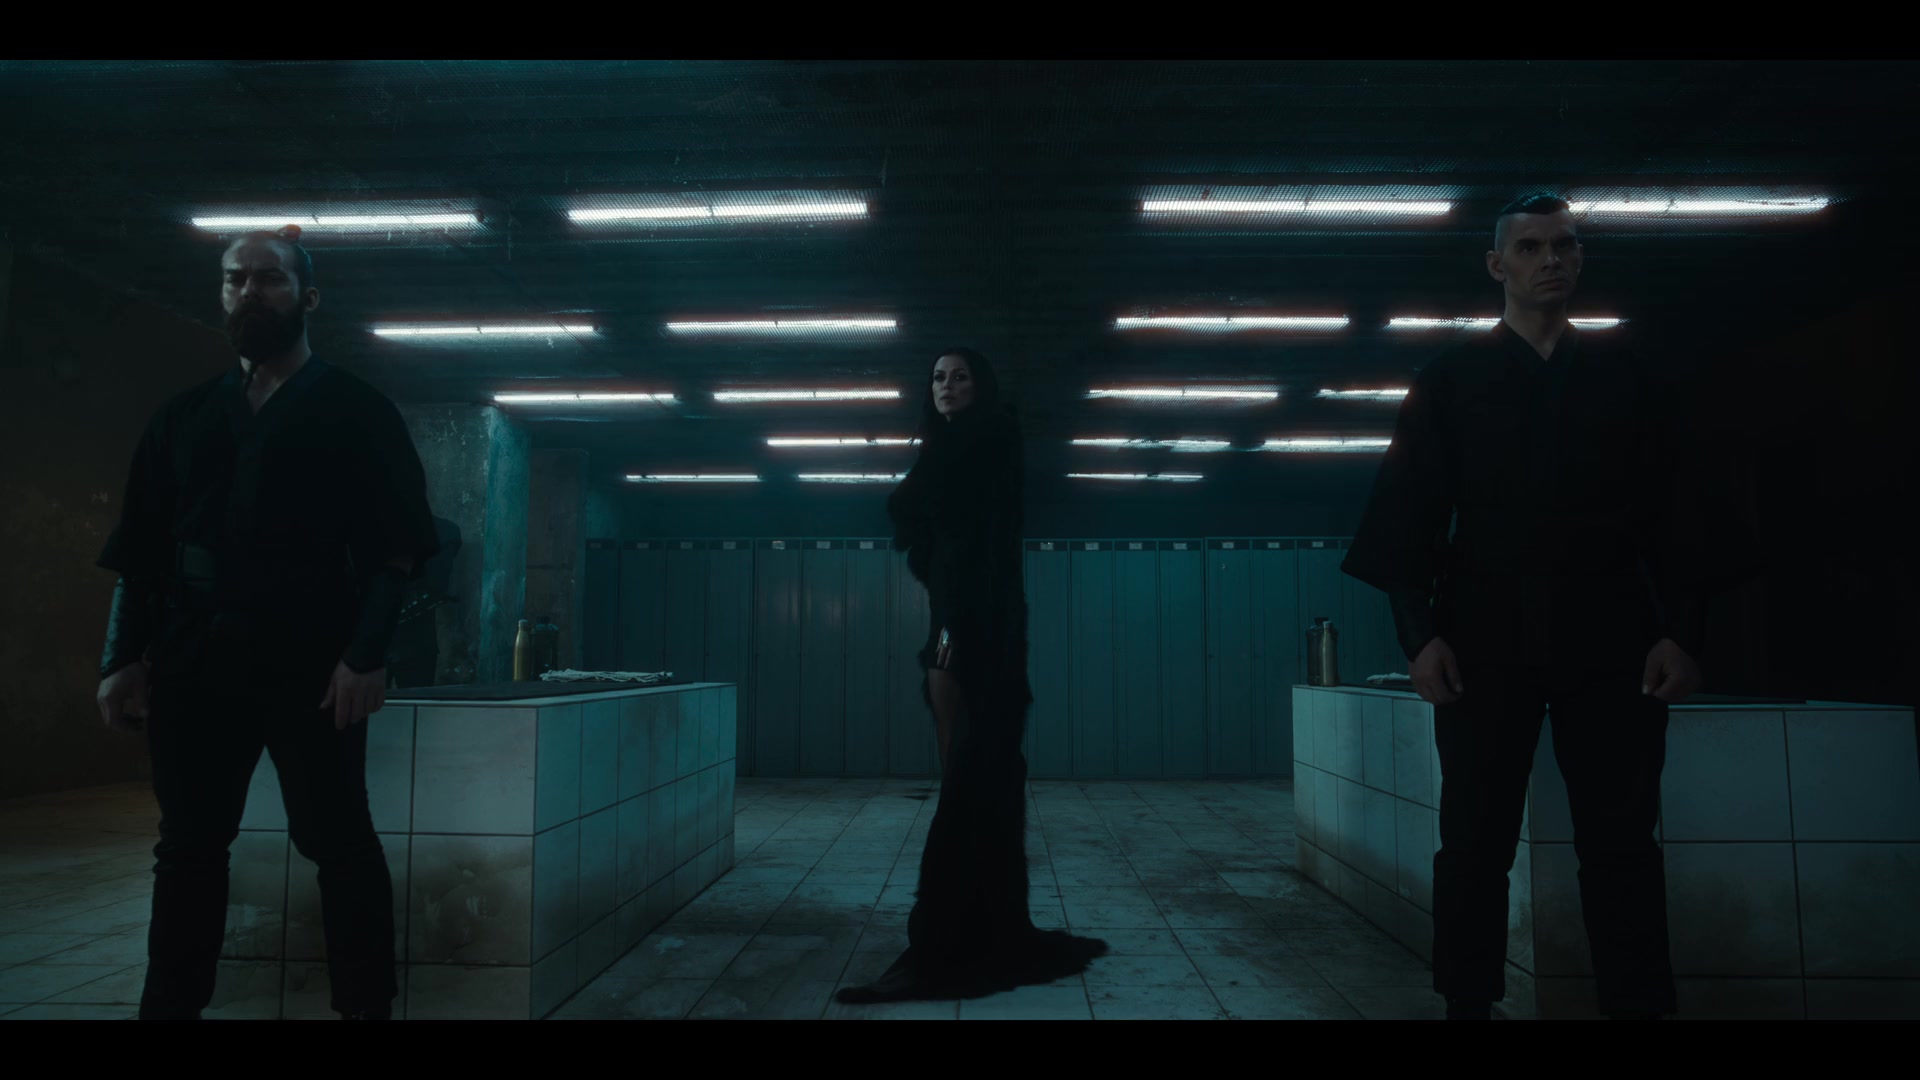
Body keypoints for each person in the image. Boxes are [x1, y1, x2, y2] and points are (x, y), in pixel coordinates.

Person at [1342, 194, 1757, 1021]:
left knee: (1622, 841)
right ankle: (1468, 1004)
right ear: (1497, 265)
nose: (1551, 260)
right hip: (1482, 634)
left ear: (1580, 258)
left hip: (1612, 632)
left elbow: (1679, 513)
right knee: (1473, 838)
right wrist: (1420, 639)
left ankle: (1638, 1007)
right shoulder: (1451, 379)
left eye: (1565, 245)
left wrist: (1682, 633)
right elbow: (1409, 513)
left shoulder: (1631, 377)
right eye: (1530, 247)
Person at [93, 226, 439, 1020]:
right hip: (192, 659)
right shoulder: (183, 417)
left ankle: (365, 1009)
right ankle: (169, 1009)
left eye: (270, 278)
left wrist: (365, 656)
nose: (250, 291)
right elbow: (141, 552)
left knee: (338, 841)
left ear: (307, 296)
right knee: (188, 846)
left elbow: (394, 553)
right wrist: (120, 657)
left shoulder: (357, 410)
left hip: (312, 662)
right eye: (235, 279)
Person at [837, 348, 1107, 1004]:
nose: (947, 386)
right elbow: (937, 532)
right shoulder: (969, 447)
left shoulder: (978, 443)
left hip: (967, 631)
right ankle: (988, 930)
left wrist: (949, 627)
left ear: (980, 386)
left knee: (966, 785)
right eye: (938, 377)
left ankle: (943, 948)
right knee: (983, 784)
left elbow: (941, 530)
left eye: (960, 377)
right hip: (975, 630)